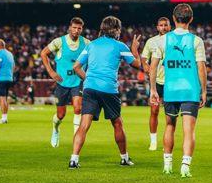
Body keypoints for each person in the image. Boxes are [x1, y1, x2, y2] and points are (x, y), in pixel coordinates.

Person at [69, 16, 142, 169]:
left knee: (84, 125)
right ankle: (124, 158)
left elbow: (76, 67)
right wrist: (134, 49)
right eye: (119, 29)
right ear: (115, 30)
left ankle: (73, 160)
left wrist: (88, 79)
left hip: (89, 88)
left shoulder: (91, 45)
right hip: (108, 89)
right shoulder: (120, 45)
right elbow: (137, 65)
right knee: (117, 123)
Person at [149, 4, 206, 178]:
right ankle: (185, 168)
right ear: (191, 20)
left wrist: (153, 89)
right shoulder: (196, 41)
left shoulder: (162, 40)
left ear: (173, 19)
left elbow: (153, 67)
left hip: (170, 89)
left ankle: (167, 165)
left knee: (169, 125)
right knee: (189, 130)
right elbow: (201, 69)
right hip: (190, 90)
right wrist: (203, 91)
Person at [40, 17, 87, 148]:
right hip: (62, 82)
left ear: (81, 30)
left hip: (78, 81)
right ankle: (55, 130)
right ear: (70, 28)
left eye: (79, 28)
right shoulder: (59, 42)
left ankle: (76, 140)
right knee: (61, 115)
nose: (76, 30)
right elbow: (43, 53)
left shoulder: (87, 43)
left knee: (78, 108)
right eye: (74, 27)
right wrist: (50, 72)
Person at [140, 17, 170, 151]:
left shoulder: (173, 40)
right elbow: (144, 56)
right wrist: (144, 64)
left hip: (170, 81)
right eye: (161, 25)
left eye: (166, 25)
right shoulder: (151, 41)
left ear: (170, 26)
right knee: (154, 111)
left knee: (170, 114)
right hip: (156, 81)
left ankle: (167, 142)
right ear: (157, 27)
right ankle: (153, 141)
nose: (163, 27)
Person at [0, 39, 16, 124]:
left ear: (0, 45)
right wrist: (10, 75)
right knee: (5, 98)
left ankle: (3, 118)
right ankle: (5, 117)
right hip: (9, 78)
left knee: (1, 98)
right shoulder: (10, 54)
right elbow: (13, 66)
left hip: (1, 79)